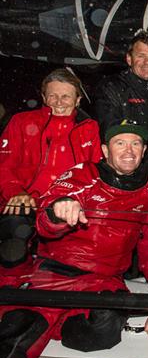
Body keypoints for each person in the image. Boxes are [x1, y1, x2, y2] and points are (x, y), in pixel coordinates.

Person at [0, 120, 148, 358]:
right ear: (104, 150)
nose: (129, 150)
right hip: (55, 273)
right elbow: (48, 215)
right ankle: (43, 321)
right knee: (18, 332)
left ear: (144, 150)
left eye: (136, 144)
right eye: (120, 143)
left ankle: (55, 323)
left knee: (105, 328)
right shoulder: (83, 173)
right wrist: (59, 211)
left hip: (103, 280)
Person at [0, 69, 101, 286]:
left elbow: (95, 172)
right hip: (27, 201)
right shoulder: (21, 121)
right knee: (14, 228)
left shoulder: (89, 128)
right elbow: (5, 166)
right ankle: (12, 286)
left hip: (66, 206)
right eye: (53, 96)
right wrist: (16, 193)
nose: (59, 102)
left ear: (78, 100)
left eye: (66, 96)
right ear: (44, 98)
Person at [94, 31, 148, 178]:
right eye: (141, 56)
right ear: (129, 59)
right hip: (122, 170)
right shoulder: (111, 86)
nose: (147, 62)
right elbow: (109, 130)